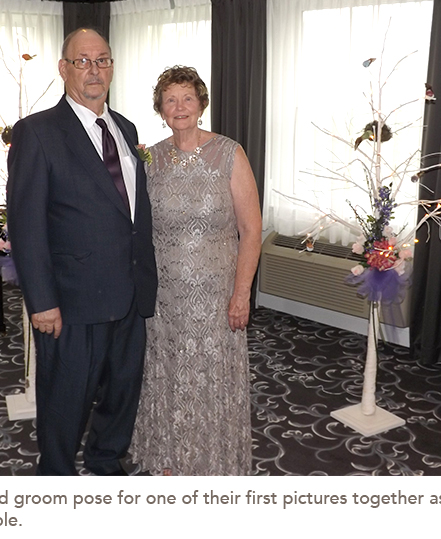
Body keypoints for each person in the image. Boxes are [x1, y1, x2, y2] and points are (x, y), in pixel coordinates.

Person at [6, 28, 157, 476]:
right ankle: (56, 476)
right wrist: (42, 302)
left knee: (122, 391)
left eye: (103, 60)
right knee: (66, 398)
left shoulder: (125, 128)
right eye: (83, 61)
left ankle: (106, 460)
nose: (95, 70)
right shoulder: (36, 132)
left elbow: (130, 213)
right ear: (64, 69)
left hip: (130, 292)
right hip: (72, 300)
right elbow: (26, 224)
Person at [130, 66, 262, 475]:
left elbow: (251, 231)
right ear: (161, 109)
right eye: (170, 99)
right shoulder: (150, 158)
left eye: (187, 97)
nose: (179, 106)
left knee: (209, 378)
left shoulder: (229, 153)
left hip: (215, 297)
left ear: (201, 103)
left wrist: (241, 294)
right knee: (167, 376)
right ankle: (169, 456)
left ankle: (211, 460)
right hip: (164, 297)